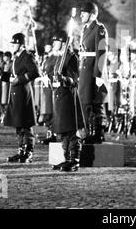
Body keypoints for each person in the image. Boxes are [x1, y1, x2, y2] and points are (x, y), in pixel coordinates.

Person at [49, 31, 85, 172]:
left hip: (68, 96)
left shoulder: (71, 58)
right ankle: (66, 158)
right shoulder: (58, 58)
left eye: (56, 41)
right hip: (58, 95)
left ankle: (74, 159)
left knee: (70, 129)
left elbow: (74, 79)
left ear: (63, 43)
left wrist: (64, 79)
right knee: (62, 130)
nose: (53, 44)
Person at [4, 33, 40, 163]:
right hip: (15, 93)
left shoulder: (27, 56)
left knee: (26, 123)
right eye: (12, 44)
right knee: (18, 124)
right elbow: (12, 77)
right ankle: (21, 150)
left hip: (23, 94)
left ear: (21, 44)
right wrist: (2, 74)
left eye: (15, 44)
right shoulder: (17, 57)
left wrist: (19, 79)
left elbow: (35, 72)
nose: (13, 46)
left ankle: (28, 152)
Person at [78, 2, 108, 144]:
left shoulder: (99, 28)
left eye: (84, 13)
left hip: (93, 70)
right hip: (85, 69)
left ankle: (98, 132)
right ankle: (89, 131)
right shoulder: (85, 29)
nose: (81, 15)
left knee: (96, 102)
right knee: (85, 102)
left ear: (92, 14)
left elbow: (101, 53)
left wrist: (99, 75)